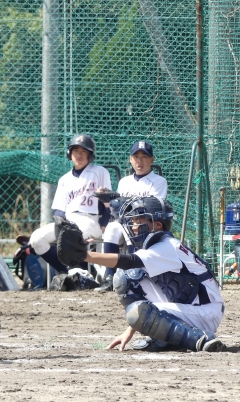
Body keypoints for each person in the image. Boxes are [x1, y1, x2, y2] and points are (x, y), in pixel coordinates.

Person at [60, 195, 225, 352]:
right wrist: (130, 329)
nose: (133, 226)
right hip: (191, 307)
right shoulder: (159, 246)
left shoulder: (168, 246)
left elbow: (129, 260)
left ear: (157, 225)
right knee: (126, 278)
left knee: (137, 310)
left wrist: (86, 256)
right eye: (133, 221)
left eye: (139, 221)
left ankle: (200, 339)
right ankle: (168, 340)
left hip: (205, 312)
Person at [23, 135, 112, 277]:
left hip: (90, 220)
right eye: (75, 150)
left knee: (70, 237)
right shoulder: (64, 180)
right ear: (69, 154)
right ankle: (66, 272)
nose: (79, 155)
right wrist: (60, 226)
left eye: (84, 151)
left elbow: (108, 203)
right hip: (68, 222)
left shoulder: (100, 171)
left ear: (90, 155)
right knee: (37, 238)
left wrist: (104, 226)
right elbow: (59, 211)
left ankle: (81, 272)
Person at [93, 141, 168, 293]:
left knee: (135, 226)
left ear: (151, 160)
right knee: (112, 228)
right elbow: (117, 209)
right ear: (130, 159)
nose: (140, 161)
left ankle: (135, 276)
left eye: (144, 157)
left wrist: (119, 199)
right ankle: (110, 277)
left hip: (147, 225)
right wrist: (108, 198)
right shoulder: (124, 182)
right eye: (136, 157)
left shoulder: (159, 181)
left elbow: (151, 207)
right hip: (125, 222)